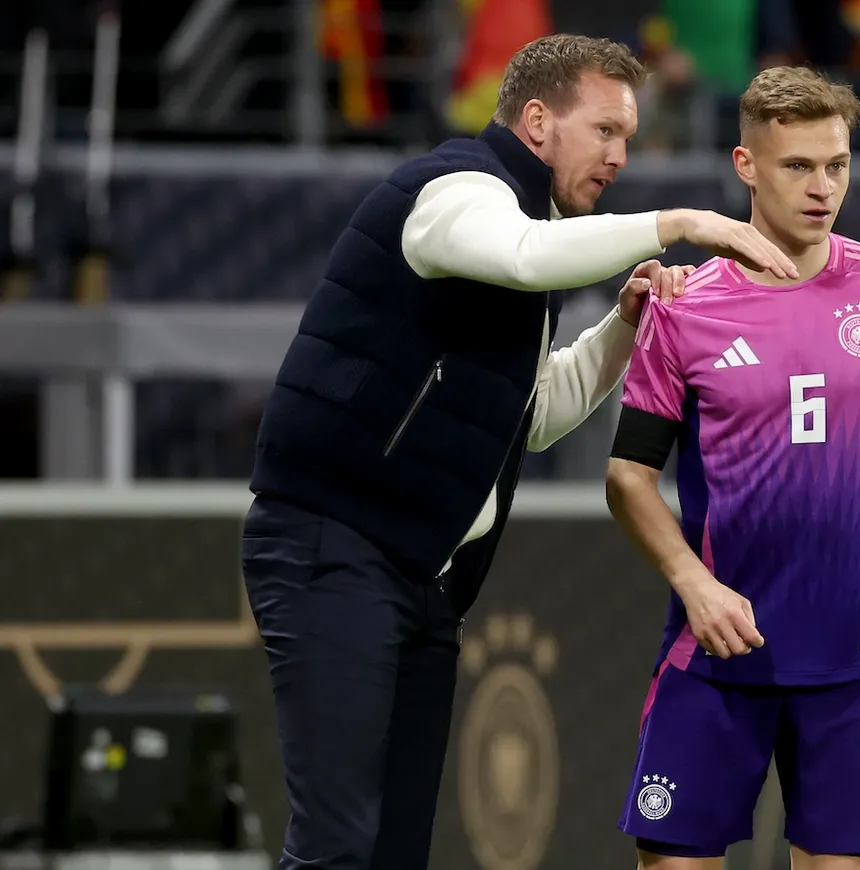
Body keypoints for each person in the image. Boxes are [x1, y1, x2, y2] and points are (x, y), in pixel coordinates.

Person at [240, 34, 799, 870]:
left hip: (419, 579)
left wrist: (623, 328)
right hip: (337, 548)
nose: (620, 156)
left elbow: (530, 418)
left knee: (389, 853)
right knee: (335, 849)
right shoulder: (453, 189)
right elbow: (523, 258)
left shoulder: (529, 235)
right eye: (605, 131)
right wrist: (678, 224)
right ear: (537, 121)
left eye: (628, 139)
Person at [605, 66, 860, 870]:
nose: (822, 188)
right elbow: (627, 477)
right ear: (746, 166)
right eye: (797, 167)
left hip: (855, 662)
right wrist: (694, 583)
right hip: (714, 657)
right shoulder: (684, 305)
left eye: (837, 166)